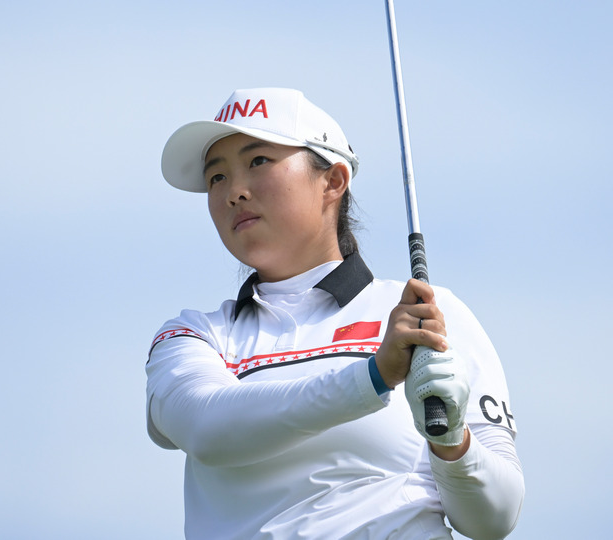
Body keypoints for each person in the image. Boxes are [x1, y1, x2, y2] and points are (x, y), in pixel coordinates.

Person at [146, 88, 524, 539]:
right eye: (216, 178)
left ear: (333, 181)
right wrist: (374, 377)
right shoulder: (195, 335)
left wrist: (452, 442)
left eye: (258, 161)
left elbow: (494, 518)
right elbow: (207, 427)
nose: (234, 192)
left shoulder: (430, 313)